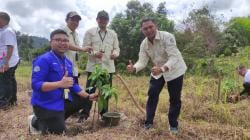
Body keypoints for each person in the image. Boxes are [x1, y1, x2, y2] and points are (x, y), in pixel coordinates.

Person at [28, 29, 98, 135]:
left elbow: (72, 84)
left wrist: (88, 96)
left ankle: (57, 118)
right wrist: (59, 84)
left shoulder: (68, 62)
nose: (62, 43)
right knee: (59, 132)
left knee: (85, 98)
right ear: (51, 42)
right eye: (58, 40)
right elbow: (35, 85)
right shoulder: (43, 60)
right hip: (46, 104)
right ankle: (35, 121)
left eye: (65, 40)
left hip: (62, 100)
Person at [127, 17, 187, 134]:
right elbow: (142, 61)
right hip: (157, 71)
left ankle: (173, 125)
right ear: (142, 30)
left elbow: (174, 57)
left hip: (174, 69)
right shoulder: (144, 44)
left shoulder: (167, 37)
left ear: (156, 26)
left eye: (151, 27)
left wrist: (163, 68)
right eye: (145, 29)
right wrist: (134, 67)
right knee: (152, 94)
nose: (149, 30)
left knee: (174, 99)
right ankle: (148, 122)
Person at [82, 10, 120, 118]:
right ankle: (85, 114)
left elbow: (117, 48)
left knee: (105, 92)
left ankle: (104, 114)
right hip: (94, 68)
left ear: (108, 21)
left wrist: (115, 54)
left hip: (108, 68)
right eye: (100, 18)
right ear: (97, 19)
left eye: (105, 19)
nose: (103, 21)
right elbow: (85, 47)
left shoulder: (113, 34)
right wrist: (94, 53)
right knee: (89, 90)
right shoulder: (90, 32)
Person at [64, 11, 92, 122]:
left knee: (74, 90)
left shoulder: (75, 34)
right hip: (64, 69)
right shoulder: (64, 32)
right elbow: (67, 45)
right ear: (66, 20)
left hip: (73, 68)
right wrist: (82, 49)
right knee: (66, 91)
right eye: (72, 19)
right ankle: (65, 111)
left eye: (77, 20)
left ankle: (73, 110)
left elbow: (77, 49)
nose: (75, 22)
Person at [0, 12, 20, 108]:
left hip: (8, 61)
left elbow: (10, 47)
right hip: (6, 60)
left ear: (3, 20)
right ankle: (12, 101)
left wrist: (6, 62)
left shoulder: (7, 31)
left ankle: (4, 103)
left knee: (4, 81)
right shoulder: (3, 31)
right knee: (10, 80)